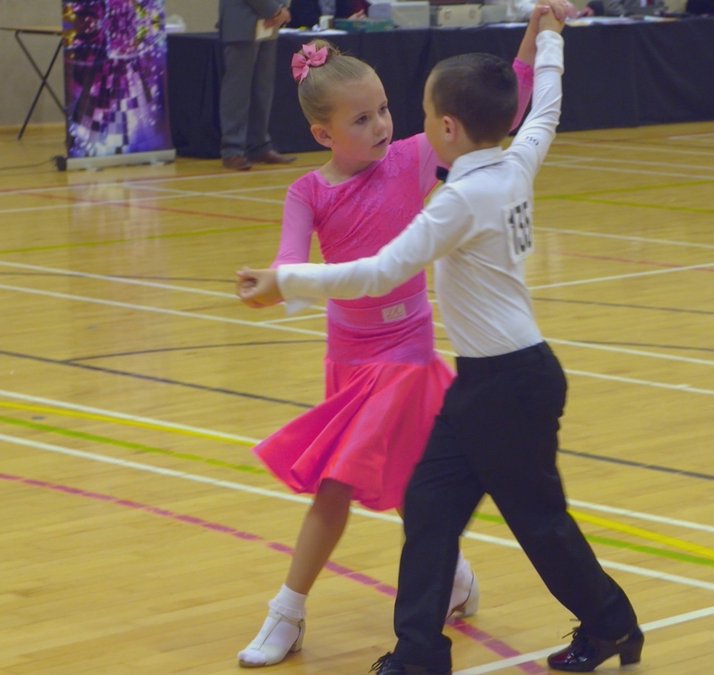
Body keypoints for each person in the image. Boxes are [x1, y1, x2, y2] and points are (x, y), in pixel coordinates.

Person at [235, 1, 643, 672]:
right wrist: (550, 38)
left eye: (416, 116)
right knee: (427, 507)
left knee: (537, 523)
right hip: (491, 379)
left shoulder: (456, 200)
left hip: (507, 382)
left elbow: (381, 270)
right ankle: (419, 653)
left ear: (447, 128)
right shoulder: (515, 160)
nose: (405, 129)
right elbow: (543, 106)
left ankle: (612, 624)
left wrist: (287, 282)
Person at [218, 0, 297, 170]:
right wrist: (275, 10)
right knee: (237, 90)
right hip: (242, 20)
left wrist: (281, 8)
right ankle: (233, 149)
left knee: (263, 89)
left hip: (269, 24)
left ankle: (259, 145)